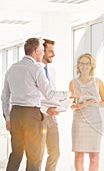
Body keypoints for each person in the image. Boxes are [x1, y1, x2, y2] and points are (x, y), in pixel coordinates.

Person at [1, 37, 71, 171]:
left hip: (15, 114)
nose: (41, 53)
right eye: (40, 50)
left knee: (16, 153)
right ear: (35, 51)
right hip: (32, 115)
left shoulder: (12, 69)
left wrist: (8, 118)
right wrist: (68, 94)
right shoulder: (36, 69)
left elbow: (4, 97)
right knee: (34, 156)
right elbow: (49, 94)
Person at [69, 53, 104, 171]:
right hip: (80, 121)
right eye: (82, 63)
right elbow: (71, 105)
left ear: (91, 66)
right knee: (79, 155)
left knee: (94, 156)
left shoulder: (98, 82)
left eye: (87, 63)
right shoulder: (73, 83)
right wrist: (83, 104)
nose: (84, 66)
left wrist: (94, 103)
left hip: (95, 122)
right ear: (78, 65)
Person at [40, 38, 60, 171]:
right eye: (50, 51)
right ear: (42, 51)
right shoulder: (34, 70)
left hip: (52, 116)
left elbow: (51, 92)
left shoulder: (51, 70)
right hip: (38, 116)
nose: (53, 54)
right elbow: (33, 97)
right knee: (38, 154)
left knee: (55, 153)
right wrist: (46, 109)